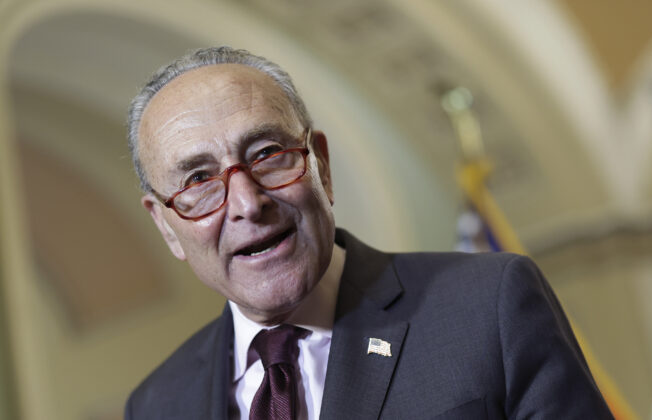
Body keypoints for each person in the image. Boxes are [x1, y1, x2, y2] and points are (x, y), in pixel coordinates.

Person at [124, 46, 613, 419]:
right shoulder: (156, 404)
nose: (249, 203)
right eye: (199, 181)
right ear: (165, 225)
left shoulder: (489, 306)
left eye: (269, 154)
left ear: (322, 166)